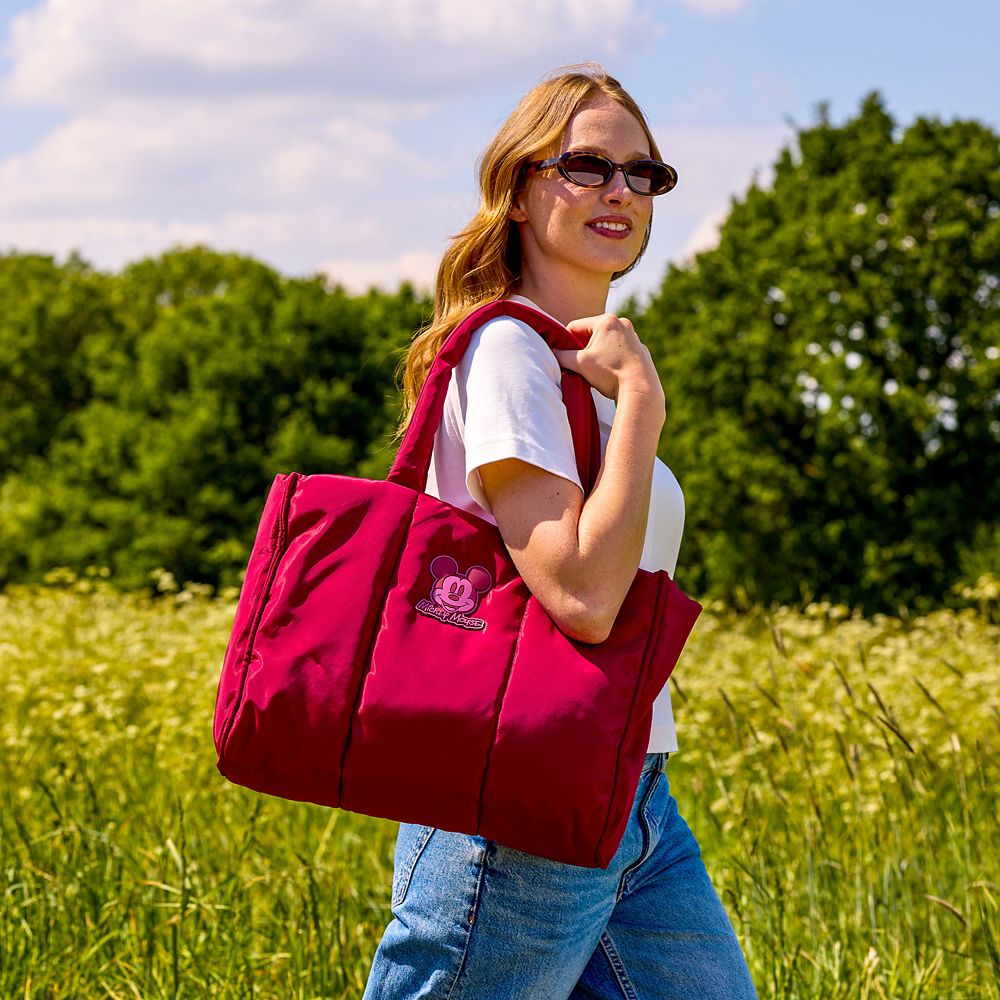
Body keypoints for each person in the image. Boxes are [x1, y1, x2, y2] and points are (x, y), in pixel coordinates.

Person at [363, 63, 757, 999]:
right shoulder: (509, 354)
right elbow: (580, 595)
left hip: (631, 796)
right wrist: (647, 404)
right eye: (587, 167)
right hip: (518, 808)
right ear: (519, 187)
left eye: (642, 174)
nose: (620, 191)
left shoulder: (583, 368)